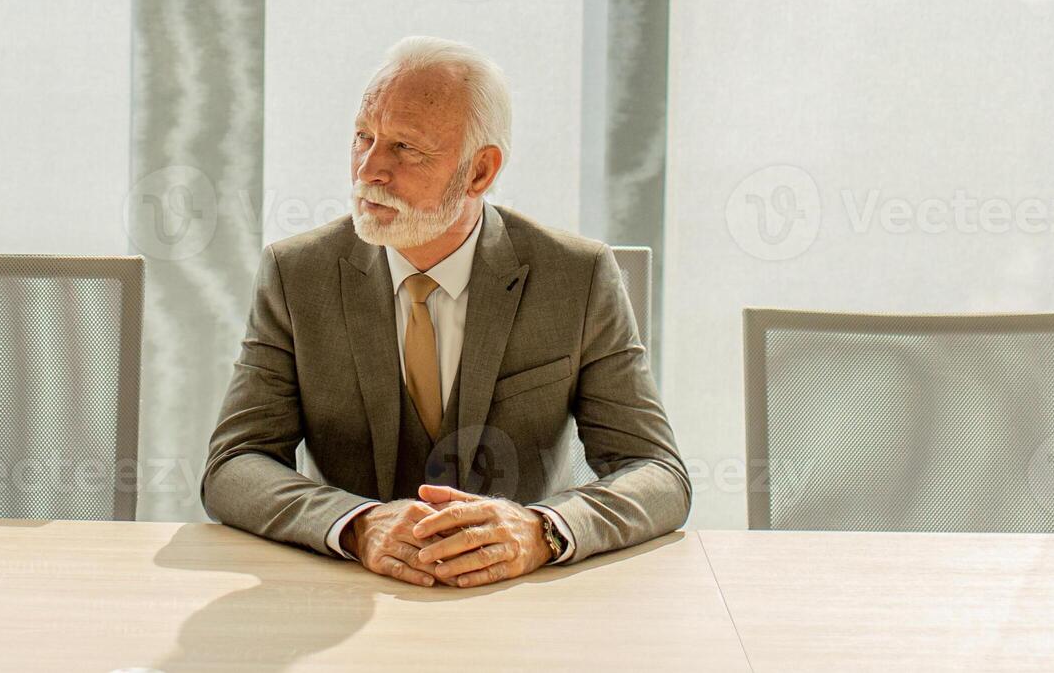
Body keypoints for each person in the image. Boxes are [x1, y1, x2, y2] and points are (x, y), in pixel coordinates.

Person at [201, 36, 690, 589]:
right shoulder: (296, 273)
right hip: (345, 598)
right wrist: (356, 524)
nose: (369, 170)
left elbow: (658, 474)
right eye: (363, 137)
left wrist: (542, 530)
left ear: (480, 173)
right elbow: (234, 464)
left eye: (405, 148)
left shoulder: (577, 277)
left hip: (517, 604)